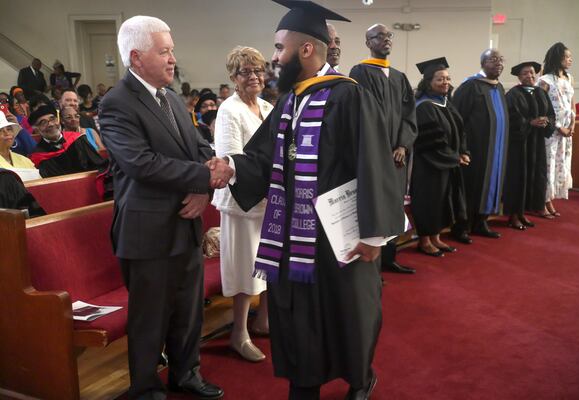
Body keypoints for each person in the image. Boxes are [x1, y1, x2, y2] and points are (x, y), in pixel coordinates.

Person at [216, 1, 402, 398]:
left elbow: (374, 162)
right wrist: (233, 168)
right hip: (293, 234)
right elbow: (264, 156)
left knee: (349, 310)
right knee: (298, 312)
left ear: (305, 50)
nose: (274, 57)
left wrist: (374, 234)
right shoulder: (289, 101)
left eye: (279, 47)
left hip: (339, 235)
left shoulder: (350, 97)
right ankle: (305, 381)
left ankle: (359, 378)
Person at [98, 15, 229, 400]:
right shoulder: (116, 104)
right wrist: (204, 179)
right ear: (136, 58)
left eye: (172, 50)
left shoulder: (171, 97)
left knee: (189, 309)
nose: (173, 59)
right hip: (147, 228)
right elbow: (141, 163)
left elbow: (198, 148)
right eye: (165, 51)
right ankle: (145, 386)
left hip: (185, 221)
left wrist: (210, 176)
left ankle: (186, 372)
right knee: (150, 316)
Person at [213, 46, 274, 363]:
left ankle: (263, 321)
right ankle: (239, 333)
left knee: (267, 262)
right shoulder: (229, 110)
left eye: (258, 70)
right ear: (233, 78)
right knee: (244, 266)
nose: (254, 76)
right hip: (241, 200)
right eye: (245, 72)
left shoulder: (266, 106)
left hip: (267, 198)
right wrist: (262, 180)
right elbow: (230, 158)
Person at [349, 23, 417, 274]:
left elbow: (410, 116)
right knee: (376, 204)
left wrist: (402, 145)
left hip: (397, 156)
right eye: (379, 36)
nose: (386, 40)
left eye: (389, 36)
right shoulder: (359, 72)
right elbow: (361, 116)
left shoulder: (400, 77)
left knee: (394, 204)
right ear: (368, 42)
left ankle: (390, 258)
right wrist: (379, 149)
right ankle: (372, 264)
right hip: (374, 156)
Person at [411, 57, 469, 256]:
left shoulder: (446, 103)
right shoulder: (424, 106)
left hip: (447, 163)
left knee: (442, 201)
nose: (445, 82)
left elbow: (460, 130)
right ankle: (424, 241)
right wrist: (454, 158)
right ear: (429, 83)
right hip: (429, 165)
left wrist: (462, 151)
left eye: (447, 78)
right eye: (440, 79)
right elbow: (431, 141)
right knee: (429, 201)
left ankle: (436, 237)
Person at [452, 49, 509, 241]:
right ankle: (461, 227)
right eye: (493, 59)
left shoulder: (499, 87)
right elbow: (457, 119)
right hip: (476, 149)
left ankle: (481, 221)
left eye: (501, 60)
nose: (498, 63)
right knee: (472, 186)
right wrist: (462, 147)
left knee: (491, 184)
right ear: (483, 63)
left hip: (497, 150)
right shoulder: (470, 86)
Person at [504, 62, 556, 227]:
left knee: (534, 176)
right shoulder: (513, 94)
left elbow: (550, 114)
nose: (530, 76)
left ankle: (523, 212)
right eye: (525, 73)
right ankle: (513, 215)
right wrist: (530, 123)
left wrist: (546, 122)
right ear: (519, 77)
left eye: (532, 73)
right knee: (518, 178)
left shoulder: (541, 92)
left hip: (536, 143)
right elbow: (511, 119)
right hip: (520, 144)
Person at [537, 42, 575, 217]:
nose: (570, 60)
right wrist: (559, 127)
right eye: (567, 57)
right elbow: (541, 107)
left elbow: (572, 104)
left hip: (567, 131)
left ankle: (550, 199)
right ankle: (542, 201)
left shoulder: (569, 78)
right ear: (558, 58)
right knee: (548, 166)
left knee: (560, 165)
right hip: (551, 131)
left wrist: (572, 125)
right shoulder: (544, 81)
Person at [29, 105, 107, 177]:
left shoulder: (78, 139)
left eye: (52, 119)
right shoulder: (38, 156)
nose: (51, 124)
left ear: (58, 120)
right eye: (43, 122)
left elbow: (98, 166)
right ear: (37, 129)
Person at [0, 111, 40, 181]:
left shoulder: (26, 161)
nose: (6, 133)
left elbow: (39, 185)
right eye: (0, 131)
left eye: (9, 129)